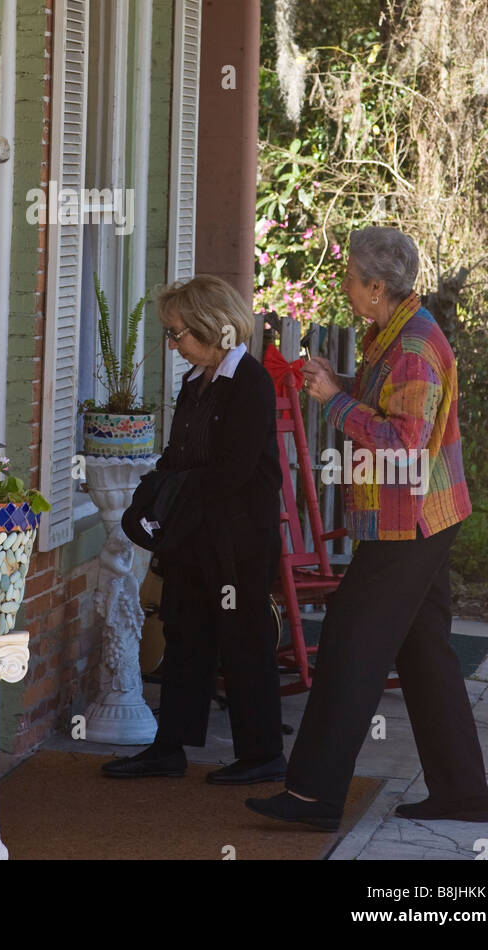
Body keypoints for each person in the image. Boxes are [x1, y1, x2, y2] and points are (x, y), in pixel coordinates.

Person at [247, 226, 488, 831]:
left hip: (411, 524)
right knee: (426, 654)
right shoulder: (397, 329)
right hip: (424, 517)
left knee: (350, 646)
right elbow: (397, 408)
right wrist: (347, 386)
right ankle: (462, 794)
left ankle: (313, 798)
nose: (345, 288)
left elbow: (404, 445)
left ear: (378, 287)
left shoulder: (412, 344)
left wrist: (332, 398)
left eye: (351, 280)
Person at [102, 275, 285, 784]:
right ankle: (169, 748)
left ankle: (263, 755)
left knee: (242, 641)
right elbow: (180, 455)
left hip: (238, 539)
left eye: (178, 333)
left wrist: (173, 496)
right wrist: (149, 495)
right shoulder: (195, 382)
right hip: (195, 534)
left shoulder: (249, 383)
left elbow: (235, 470)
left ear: (211, 328)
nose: (172, 343)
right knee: (185, 636)